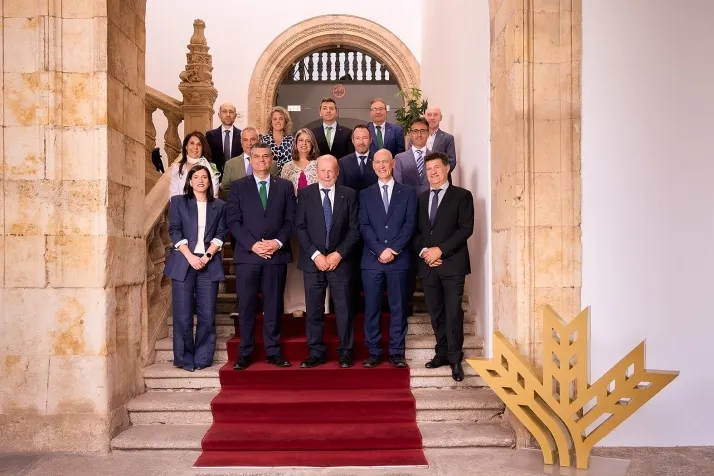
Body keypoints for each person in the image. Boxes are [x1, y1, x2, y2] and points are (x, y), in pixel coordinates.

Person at [226, 143, 296, 370]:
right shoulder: (238, 186)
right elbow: (233, 221)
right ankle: (245, 352)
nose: (262, 160)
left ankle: (273, 351)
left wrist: (276, 243)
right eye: (257, 157)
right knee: (246, 306)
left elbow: (291, 220)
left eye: (266, 156)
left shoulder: (285, 186)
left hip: (276, 256)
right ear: (251, 160)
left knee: (273, 306)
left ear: (271, 159)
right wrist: (252, 245)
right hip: (248, 256)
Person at [413, 152, 474, 382]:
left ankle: (455, 358)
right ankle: (441, 353)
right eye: (429, 169)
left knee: (453, 312)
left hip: (452, 265)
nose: (433, 172)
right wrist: (424, 252)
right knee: (436, 312)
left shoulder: (462, 196)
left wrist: (440, 250)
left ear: (447, 168)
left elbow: (465, 229)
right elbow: (416, 232)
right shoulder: (421, 199)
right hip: (428, 265)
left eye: (437, 168)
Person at [295, 155, 360, 369]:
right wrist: (316, 255)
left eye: (331, 170)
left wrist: (338, 254)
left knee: (344, 309)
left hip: (340, 261)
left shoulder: (349, 195)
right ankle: (316, 353)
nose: (326, 175)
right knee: (314, 310)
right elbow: (300, 228)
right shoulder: (305, 194)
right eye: (322, 171)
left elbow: (354, 229)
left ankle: (346, 352)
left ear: (337, 172)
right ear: (316, 172)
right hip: (313, 262)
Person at [164, 165, 227, 372]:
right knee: (183, 316)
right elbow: (174, 230)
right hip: (184, 262)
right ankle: (184, 358)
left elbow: (221, 234)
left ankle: (202, 358)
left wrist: (207, 256)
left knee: (207, 315)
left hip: (209, 263)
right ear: (190, 181)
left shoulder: (219, 205)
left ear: (209, 182)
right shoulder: (178, 202)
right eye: (196, 177)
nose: (200, 180)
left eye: (204, 177)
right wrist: (190, 256)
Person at [358, 149, 417, 368]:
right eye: (377, 162)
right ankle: (373, 351)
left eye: (385, 162)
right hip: (371, 261)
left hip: (399, 260)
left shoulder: (408, 192)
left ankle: (397, 352)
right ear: (373, 166)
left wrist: (393, 250)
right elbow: (363, 225)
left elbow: (410, 224)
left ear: (393, 164)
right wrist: (379, 250)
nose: (381, 166)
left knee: (398, 308)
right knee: (372, 308)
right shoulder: (365, 194)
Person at [220, 126, 278, 319]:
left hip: (271, 243)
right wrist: (251, 243)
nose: (249, 142)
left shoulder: (274, 170)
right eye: (245, 139)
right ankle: (243, 303)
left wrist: (274, 242)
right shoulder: (232, 167)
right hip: (244, 235)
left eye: (253, 139)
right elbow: (225, 189)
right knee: (246, 293)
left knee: (271, 298)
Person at [280, 128, 320, 317]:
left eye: (307, 140)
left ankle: (316, 303)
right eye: (300, 140)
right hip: (293, 220)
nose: (304, 144)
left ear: (312, 144)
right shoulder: (287, 167)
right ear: (295, 144)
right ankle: (295, 305)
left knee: (314, 260)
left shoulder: (319, 165)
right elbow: (281, 196)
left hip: (315, 220)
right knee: (294, 263)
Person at [169, 131, 220, 199]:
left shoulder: (211, 168)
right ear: (186, 146)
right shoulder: (176, 168)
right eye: (192, 143)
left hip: (205, 205)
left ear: (203, 148)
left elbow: (213, 196)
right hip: (181, 205)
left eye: (199, 144)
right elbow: (173, 196)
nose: (195, 147)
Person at [394, 117, 432, 196]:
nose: (419, 135)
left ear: (428, 133)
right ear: (410, 134)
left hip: (430, 200)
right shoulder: (399, 158)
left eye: (423, 131)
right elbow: (398, 185)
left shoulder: (435, 158)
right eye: (415, 131)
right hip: (408, 200)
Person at [337, 124, 378, 195]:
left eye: (365, 138)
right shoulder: (342, 163)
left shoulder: (378, 160)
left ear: (370, 140)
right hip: (351, 201)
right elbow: (340, 190)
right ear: (353, 140)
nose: (361, 142)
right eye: (357, 138)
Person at [206, 103, 243, 177]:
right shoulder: (210, 135)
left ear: (235, 116)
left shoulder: (242, 135)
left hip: (238, 177)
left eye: (231, 112)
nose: (228, 115)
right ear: (219, 115)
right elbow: (207, 157)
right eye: (224, 111)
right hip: (216, 177)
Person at [260, 106, 294, 173]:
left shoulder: (292, 141)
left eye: (281, 119)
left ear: (285, 121)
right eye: (275, 119)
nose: (278, 121)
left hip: (288, 177)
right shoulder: (263, 141)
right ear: (271, 122)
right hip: (269, 176)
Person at [425, 107, 457, 172]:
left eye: (435, 115)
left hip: (441, 177)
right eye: (429, 115)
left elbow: (451, 162)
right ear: (425, 117)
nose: (432, 118)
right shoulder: (416, 138)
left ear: (441, 117)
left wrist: (437, 174)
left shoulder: (448, 138)